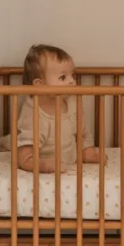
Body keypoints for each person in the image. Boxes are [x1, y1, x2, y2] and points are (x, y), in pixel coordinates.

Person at [16, 44, 105, 172]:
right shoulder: (33, 112)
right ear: (39, 86)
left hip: (67, 167)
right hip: (46, 174)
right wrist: (43, 165)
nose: (72, 82)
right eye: (63, 77)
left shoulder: (73, 104)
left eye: (72, 75)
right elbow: (23, 156)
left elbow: (84, 133)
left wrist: (87, 150)